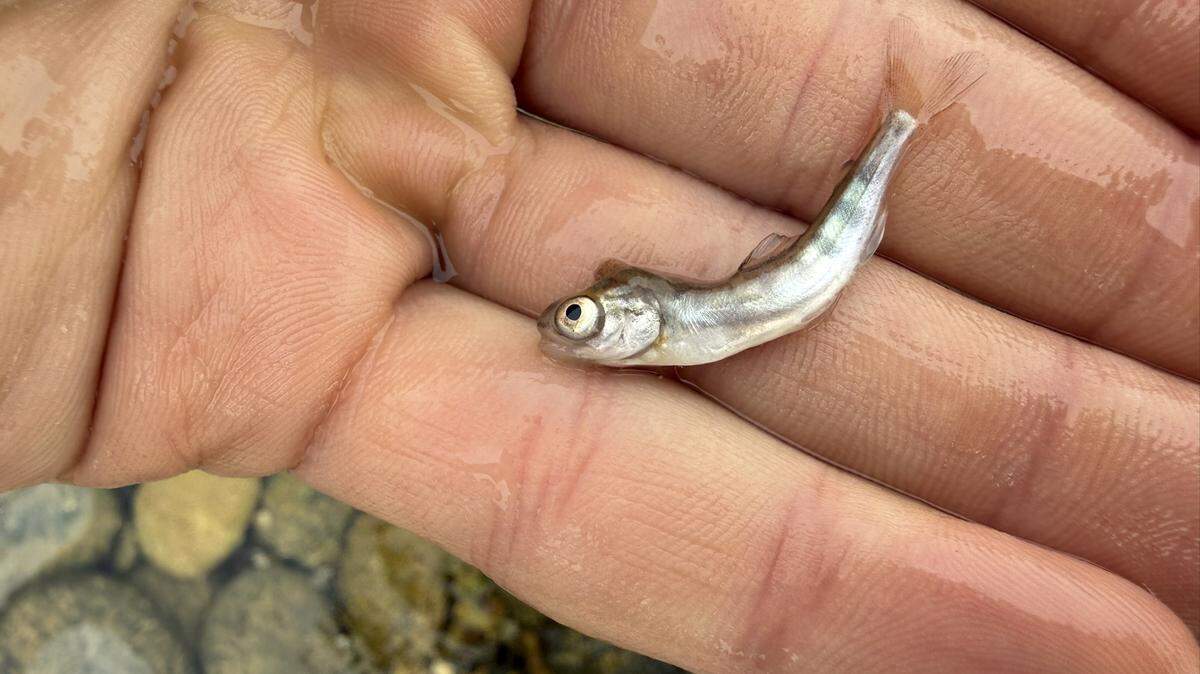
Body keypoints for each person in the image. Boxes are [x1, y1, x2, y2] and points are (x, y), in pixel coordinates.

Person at [1, 0, 1197, 670]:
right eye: (576, 321)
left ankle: (895, 138)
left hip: (807, 259)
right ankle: (895, 133)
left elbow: (753, 287)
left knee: (828, 265)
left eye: (581, 319)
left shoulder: (662, 319)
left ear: (625, 320)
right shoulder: (653, 325)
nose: (571, 331)